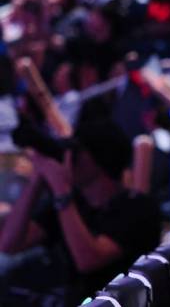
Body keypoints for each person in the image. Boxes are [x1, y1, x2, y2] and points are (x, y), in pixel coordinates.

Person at [0, 120, 161, 306]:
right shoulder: (73, 206)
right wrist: (39, 178)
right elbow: (9, 243)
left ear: (98, 159)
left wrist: (61, 189)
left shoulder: (136, 207)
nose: (70, 159)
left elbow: (88, 260)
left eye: (77, 152)